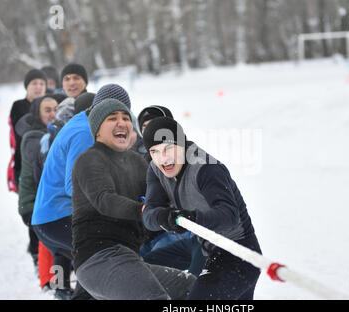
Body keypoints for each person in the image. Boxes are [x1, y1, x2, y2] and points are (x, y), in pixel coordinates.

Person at [72, 98, 196, 300]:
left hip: (130, 258)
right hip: (98, 258)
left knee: (190, 287)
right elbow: (105, 199)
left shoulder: (136, 162)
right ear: (97, 130)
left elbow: (163, 192)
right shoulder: (90, 159)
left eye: (125, 118)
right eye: (112, 118)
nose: (121, 123)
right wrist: (144, 211)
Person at [142, 117, 262, 300]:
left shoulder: (206, 168)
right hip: (210, 251)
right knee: (146, 265)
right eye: (155, 151)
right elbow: (149, 215)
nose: (163, 158)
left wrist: (191, 218)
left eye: (168, 149)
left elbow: (229, 215)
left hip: (240, 253)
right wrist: (164, 217)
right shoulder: (156, 169)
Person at [31, 84, 132, 299]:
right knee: (101, 256)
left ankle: (63, 290)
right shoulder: (84, 133)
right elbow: (73, 185)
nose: (120, 123)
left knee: (85, 260)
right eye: (114, 115)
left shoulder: (87, 124)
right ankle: (65, 290)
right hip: (56, 217)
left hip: (52, 216)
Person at [137, 106, 206, 276]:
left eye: (155, 124)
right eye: (145, 127)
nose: (151, 131)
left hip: (184, 232)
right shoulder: (142, 160)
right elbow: (150, 207)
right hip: (152, 233)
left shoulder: (191, 159)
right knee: (138, 269)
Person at [16, 94, 62, 292]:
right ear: (37, 113)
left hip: (42, 199)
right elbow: (44, 162)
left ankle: (56, 280)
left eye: (55, 109)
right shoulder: (32, 136)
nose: (53, 114)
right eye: (47, 110)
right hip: (32, 202)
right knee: (49, 242)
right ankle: (48, 281)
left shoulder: (49, 132)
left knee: (54, 241)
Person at [8, 69, 47, 192]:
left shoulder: (49, 105)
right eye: (34, 83)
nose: (38, 87)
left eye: (42, 84)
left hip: (44, 165)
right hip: (23, 165)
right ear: (27, 86)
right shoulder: (19, 105)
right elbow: (22, 130)